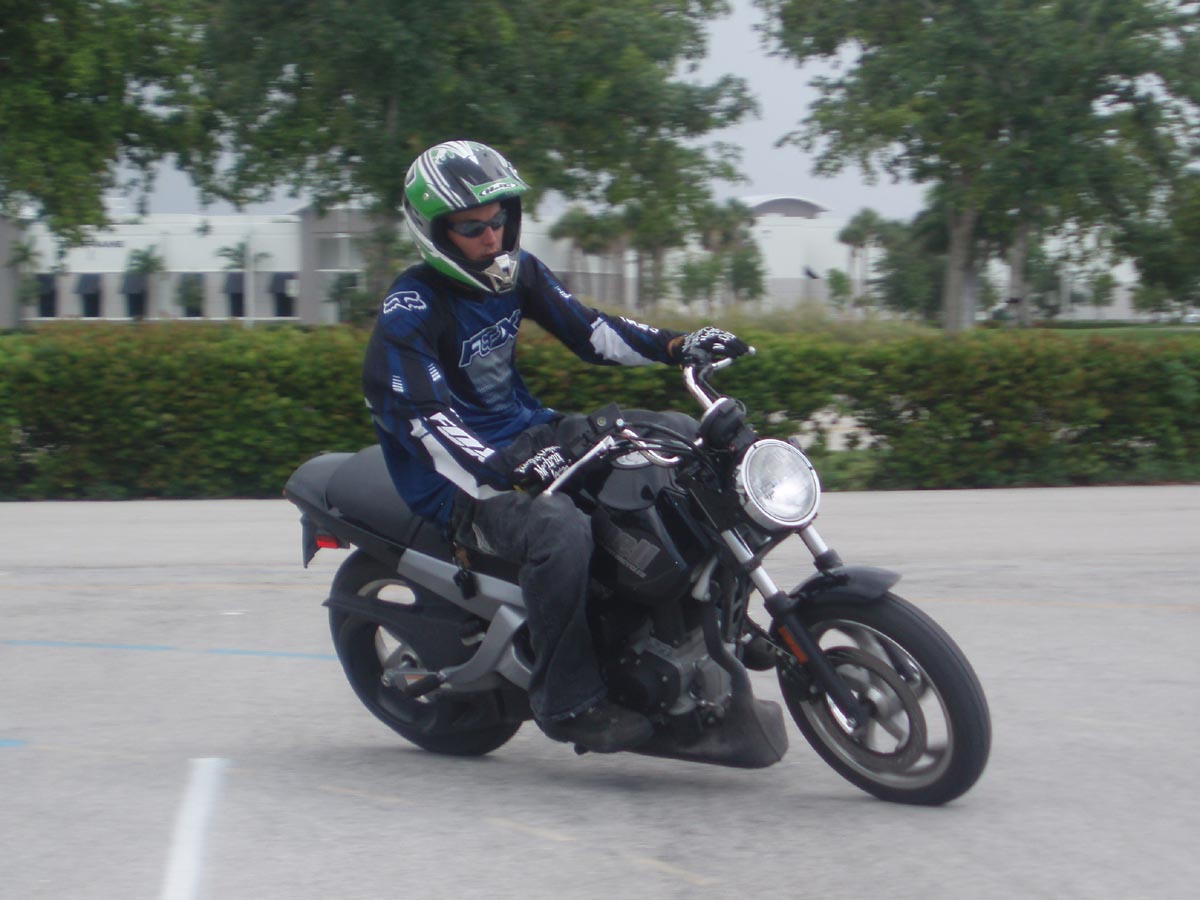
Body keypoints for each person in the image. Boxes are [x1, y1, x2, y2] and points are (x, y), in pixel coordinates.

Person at [362, 140, 748, 753]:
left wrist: (678, 346)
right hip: (459, 484)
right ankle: (568, 700)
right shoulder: (411, 310)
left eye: (499, 219)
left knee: (676, 436)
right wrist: (504, 469)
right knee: (558, 530)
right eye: (471, 228)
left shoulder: (517, 274)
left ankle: (711, 613)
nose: (492, 236)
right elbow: (424, 422)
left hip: (530, 432)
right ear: (435, 232)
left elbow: (591, 332)